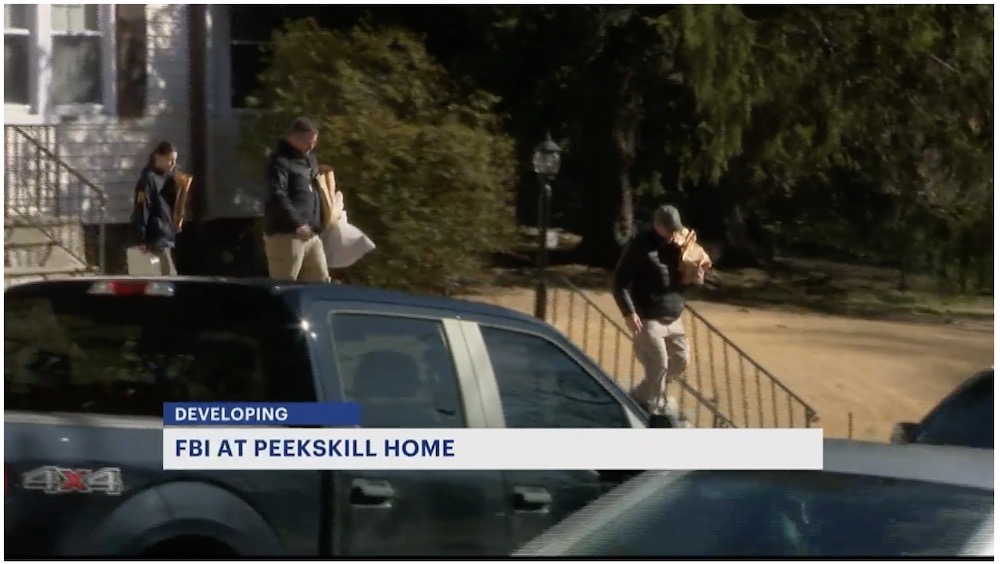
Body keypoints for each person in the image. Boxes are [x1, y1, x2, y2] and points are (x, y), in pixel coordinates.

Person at [612, 204, 697, 413]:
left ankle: (639, 396)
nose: (673, 233)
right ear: (657, 225)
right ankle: (654, 410)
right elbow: (619, 282)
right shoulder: (639, 246)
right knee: (659, 364)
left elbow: (680, 283)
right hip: (648, 317)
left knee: (680, 360)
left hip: (674, 316)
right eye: (669, 228)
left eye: (675, 229)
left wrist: (694, 277)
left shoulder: (678, 247)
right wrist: (629, 312)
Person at [262, 117, 330, 283]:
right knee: (285, 283)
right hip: (287, 234)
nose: (311, 147)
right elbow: (277, 195)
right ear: (295, 137)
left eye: (314, 143)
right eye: (308, 143)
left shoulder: (309, 160)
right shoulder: (280, 162)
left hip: (312, 234)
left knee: (321, 281)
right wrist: (297, 223)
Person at [131, 141, 180, 275]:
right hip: (156, 236)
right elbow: (141, 206)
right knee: (167, 275)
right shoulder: (147, 180)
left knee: (172, 274)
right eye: (170, 160)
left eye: (174, 160)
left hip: (169, 234)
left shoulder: (168, 179)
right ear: (158, 157)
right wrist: (141, 236)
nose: (173, 164)